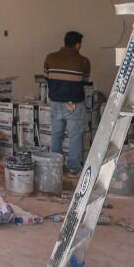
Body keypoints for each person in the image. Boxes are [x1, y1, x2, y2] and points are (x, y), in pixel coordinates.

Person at [43, 31, 91, 174]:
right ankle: (74, 168)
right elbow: (85, 81)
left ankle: (56, 166)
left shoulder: (50, 58)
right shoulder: (83, 61)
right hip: (74, 104)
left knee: (56, 134)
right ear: (77, 45)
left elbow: (46, 77)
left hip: (56, 102)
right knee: (74, 136)